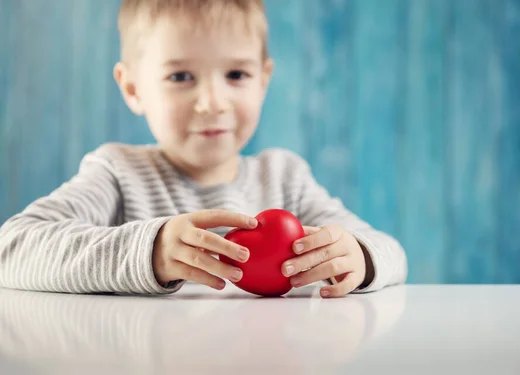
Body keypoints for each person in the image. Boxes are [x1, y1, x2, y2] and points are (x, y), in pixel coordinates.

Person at [0, 0, 407, 298]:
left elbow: (391, 253)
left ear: (263, 80)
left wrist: (359, 256)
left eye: (235, 74)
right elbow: (12, 249)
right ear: (133, 88)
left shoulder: (285, 178)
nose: (212, 102)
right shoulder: (117, 172)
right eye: (180, 75)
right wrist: (150, 251)